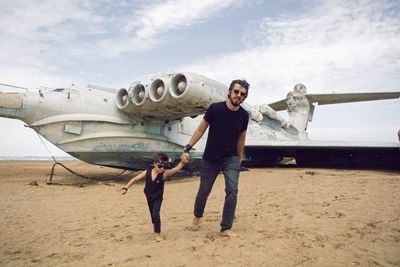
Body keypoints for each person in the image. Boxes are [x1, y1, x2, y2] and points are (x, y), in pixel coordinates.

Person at [181, 79, 250, 238]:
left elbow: (241, 139)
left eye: (242, 94)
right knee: (204, 191)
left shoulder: (244, 116)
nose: (238, 96)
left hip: (230, 159)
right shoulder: (215, 109)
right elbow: (200, 130)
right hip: (210, 158)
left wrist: (239, 160)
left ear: (244, 97)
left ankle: (226, 228)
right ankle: (197, 217)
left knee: (232, 191)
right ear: (229, 92)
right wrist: (187, 148)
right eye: (236, 92)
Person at [121, 153, 188, 242]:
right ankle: (155, 226)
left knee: (156, 213)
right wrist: (126, 187)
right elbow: (135, 179)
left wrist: (183, 162)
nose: (162, 169)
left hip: (158, 197)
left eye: (164, 166)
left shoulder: (164, 174)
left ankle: (158, 235)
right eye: (160, 166)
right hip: (148, 196)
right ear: (154, 164)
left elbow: (176, 169)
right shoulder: (147, 171)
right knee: (152, 213)